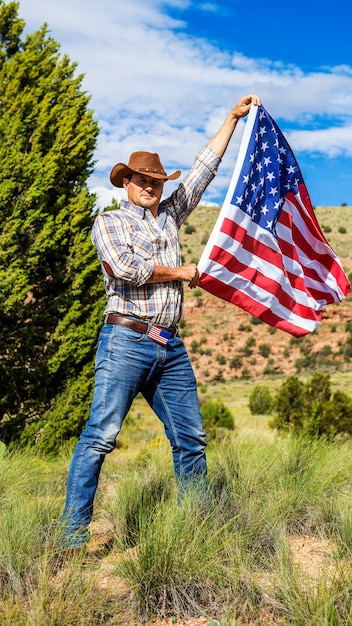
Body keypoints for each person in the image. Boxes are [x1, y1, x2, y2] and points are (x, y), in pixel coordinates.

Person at [60, 94, 261, 549]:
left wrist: (231, 118)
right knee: (100, 437)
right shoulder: (109, 222)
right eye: (141, 180)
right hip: (126, 339)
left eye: (155, 180)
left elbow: (203, 170)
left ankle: (196, 533)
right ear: (126, 182)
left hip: (168, 345)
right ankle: (71, 539)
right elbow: (124, 270)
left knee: (191, 438)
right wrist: (183, 272)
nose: (149, 186)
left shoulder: (170, 214)